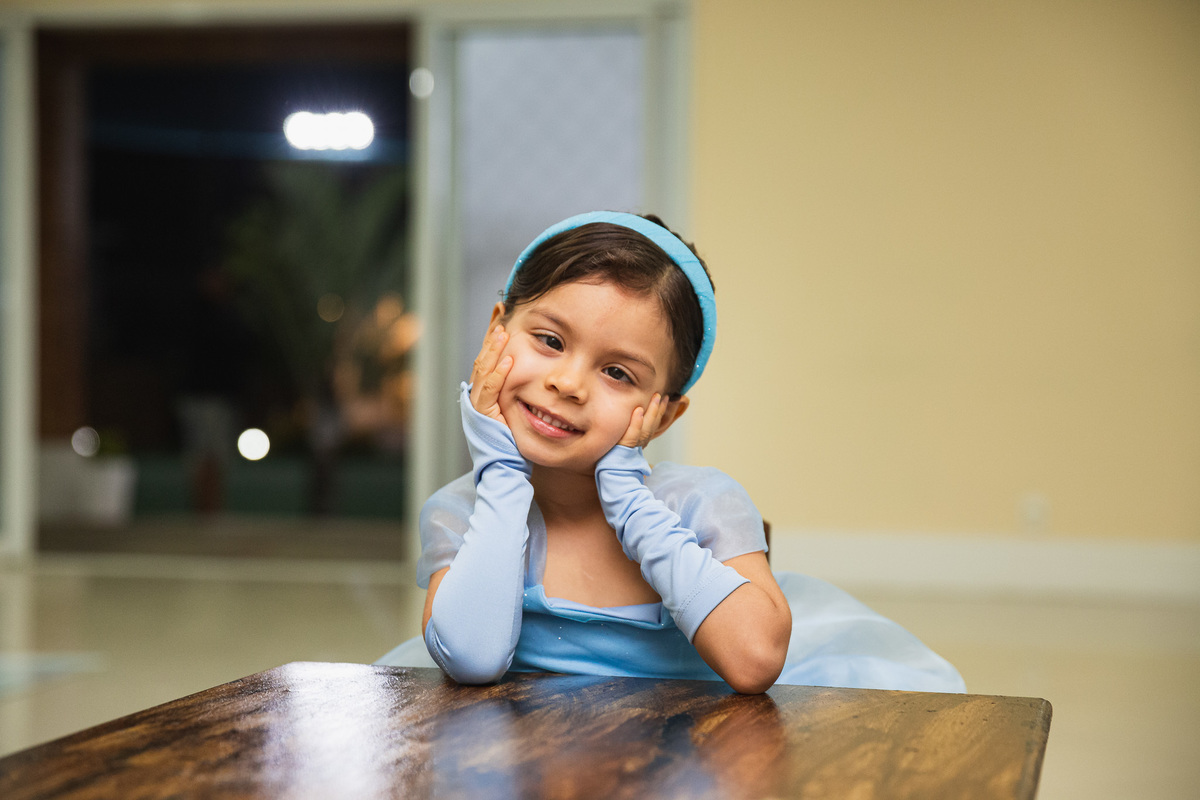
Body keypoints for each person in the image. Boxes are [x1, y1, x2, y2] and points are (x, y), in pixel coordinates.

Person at [377, 211, 965, 694]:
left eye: (617, 372)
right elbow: (474, 659)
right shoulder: (461, 512)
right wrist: (500, 471)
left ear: (665, 412)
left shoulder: (699, 502)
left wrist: (630, 502)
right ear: (495, 333)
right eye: (550, 341)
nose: (569, 383)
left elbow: (755, 659)